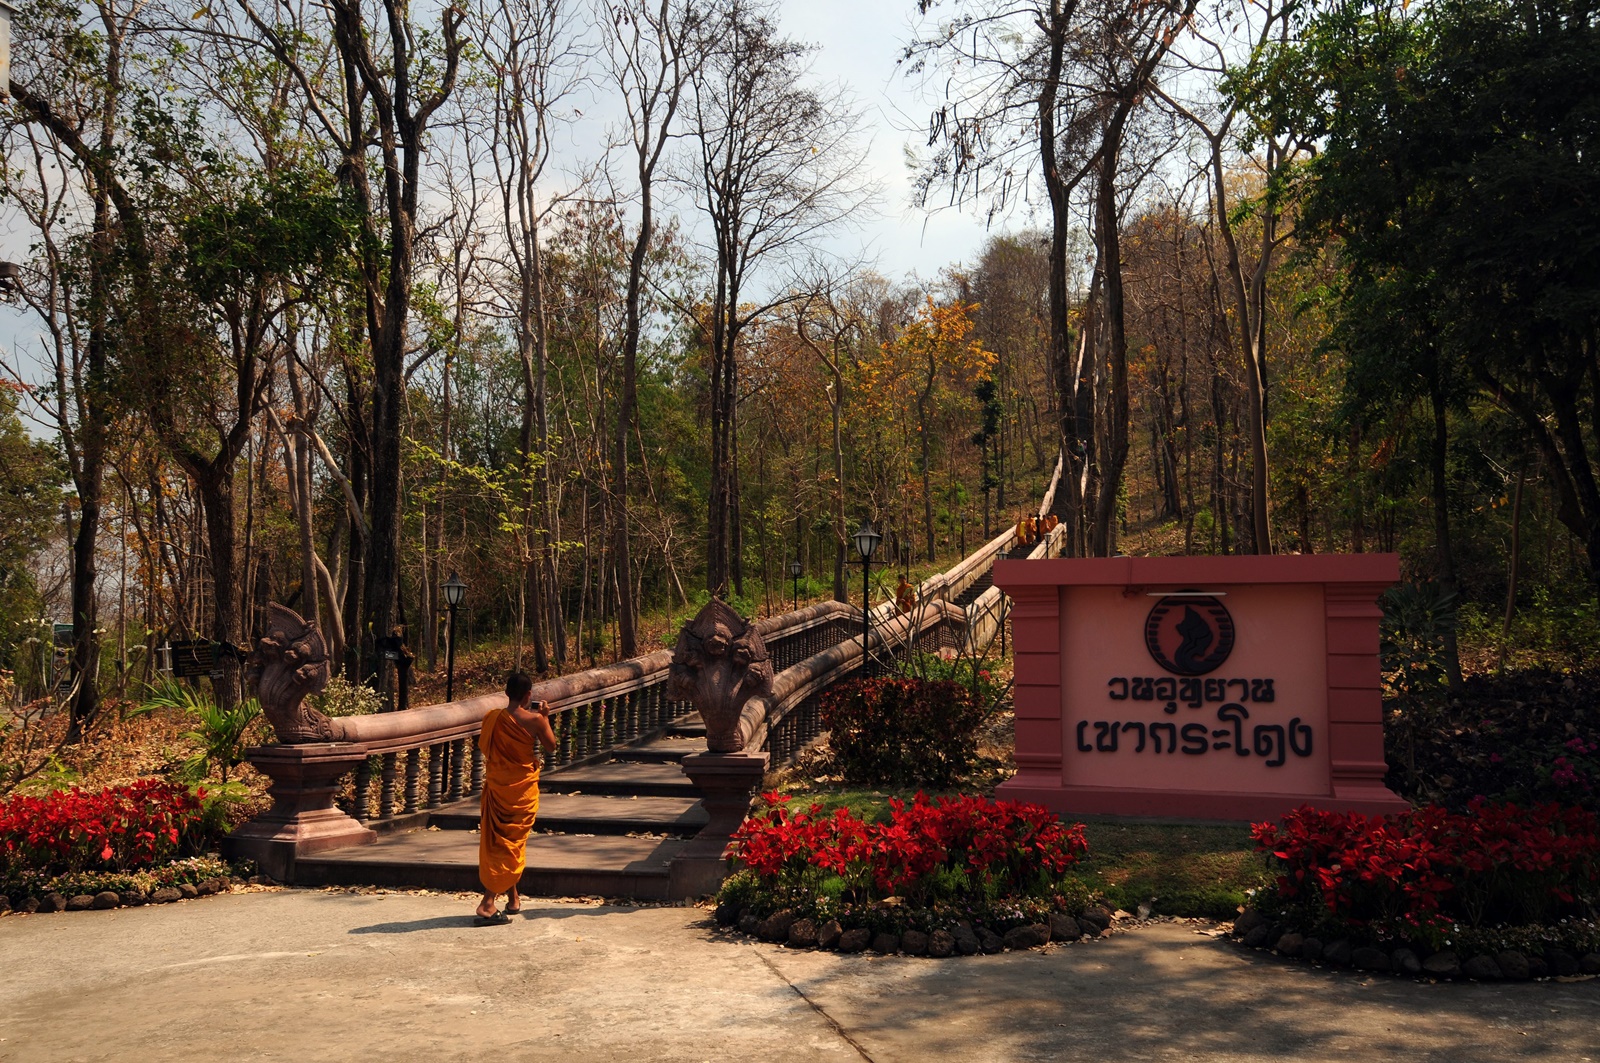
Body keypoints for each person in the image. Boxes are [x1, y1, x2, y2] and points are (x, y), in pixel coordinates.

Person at [474, 671, 557, 924]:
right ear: (528, 695)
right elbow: (551, 746)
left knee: (506, 841)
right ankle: (488, 903)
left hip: (498, 787)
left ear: (507, 693)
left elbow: (484, 746)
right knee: (512, 844)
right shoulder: (535, 721)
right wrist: (544, 718)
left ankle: (513, 898)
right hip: (520, 790)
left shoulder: (491, 717)